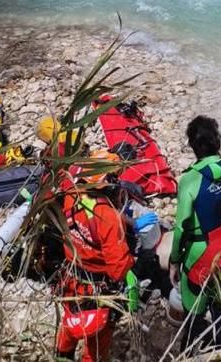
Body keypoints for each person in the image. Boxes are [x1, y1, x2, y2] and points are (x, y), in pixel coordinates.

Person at [55, 149, 137, 362]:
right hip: (96, 286)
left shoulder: (72, 195)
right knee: (97, 342)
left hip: (71, 278)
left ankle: (61, 355)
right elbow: (118, 269)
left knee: (70, 322)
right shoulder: (108, 217)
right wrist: (133, 257)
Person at [170, 116, 221, 352]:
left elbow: (182, 227)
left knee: (194, 313)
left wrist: (174, 260)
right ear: (217, 142)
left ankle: (187, 354)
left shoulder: (190, 179)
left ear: (193, 144)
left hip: (199, 255)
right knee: (220, 305)